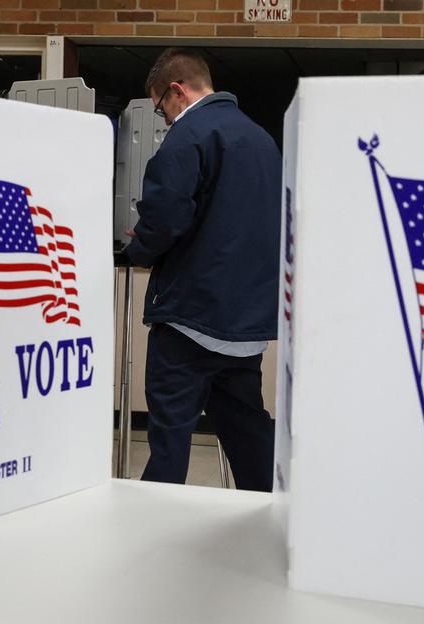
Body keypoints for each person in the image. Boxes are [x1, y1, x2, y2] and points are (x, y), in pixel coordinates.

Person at [123, 48, 281, 492]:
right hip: (246, 325)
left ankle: (158, 522)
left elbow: (166, 215)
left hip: (191, 317)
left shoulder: (189, 134)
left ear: (177, 91)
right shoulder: (262, 140)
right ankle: (273, 511)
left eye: (160, 108)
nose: (164, 119)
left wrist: (138, 250)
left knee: (170, 433)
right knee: (246, 426)